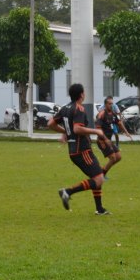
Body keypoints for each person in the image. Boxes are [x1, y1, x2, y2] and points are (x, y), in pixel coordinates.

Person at [48, 83, 111, 215]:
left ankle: (99, 209)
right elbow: (77, 129)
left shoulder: (65, 108)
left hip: (74, 151)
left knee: (97, 175)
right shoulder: (79, 109)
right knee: (99, 178)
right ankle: (67, 192)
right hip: (82, 150)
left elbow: (51, 124)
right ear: (81, 94)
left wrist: (66, 132)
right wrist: (96, 132)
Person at [96, 96, 132, 178]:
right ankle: (102, 175)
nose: (111, 105)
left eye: (112, 104)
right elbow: (98, 129)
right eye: (109, 104)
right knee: (113, 158)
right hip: (102, 141)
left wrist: (126, 132)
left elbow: (119, 123)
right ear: (105, 105)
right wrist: (105, 139)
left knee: (118, 157)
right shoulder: (101, 114)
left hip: (108, 140)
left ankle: (102, 171)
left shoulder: (112, 114)